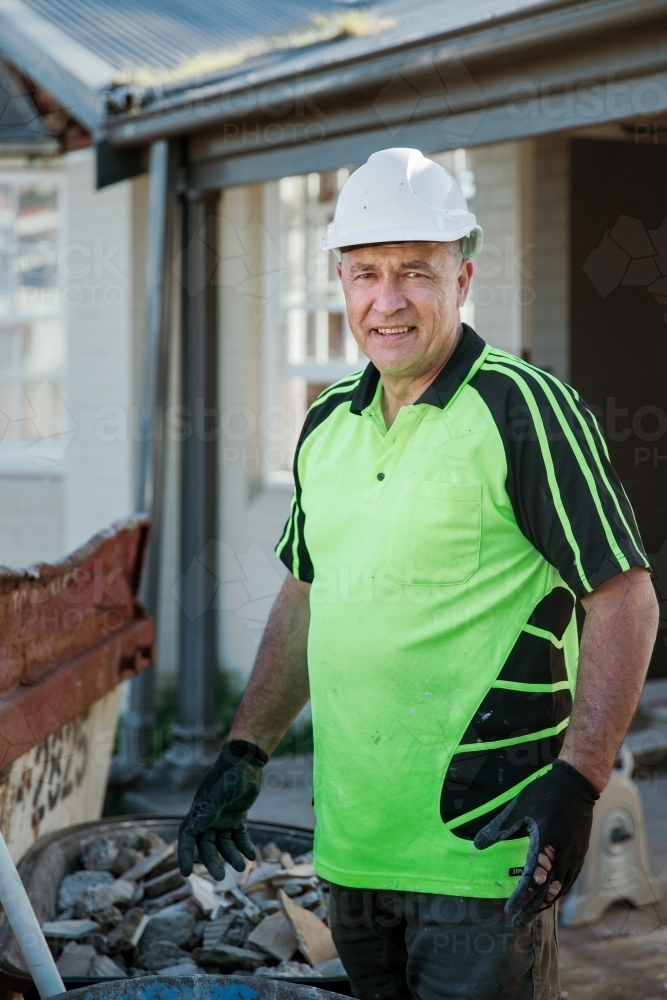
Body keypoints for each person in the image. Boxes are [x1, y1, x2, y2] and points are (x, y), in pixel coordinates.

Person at [178, 148, 658, 999]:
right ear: (340, 280)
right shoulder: (327, 420)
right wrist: (244, 750)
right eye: (365, 273)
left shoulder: (522, 410)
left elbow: (623, 597)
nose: (386, 299)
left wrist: (578, 782)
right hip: (353, 851)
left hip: (482, 856)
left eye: (414, 272)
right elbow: (305, 593)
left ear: (462, 277)